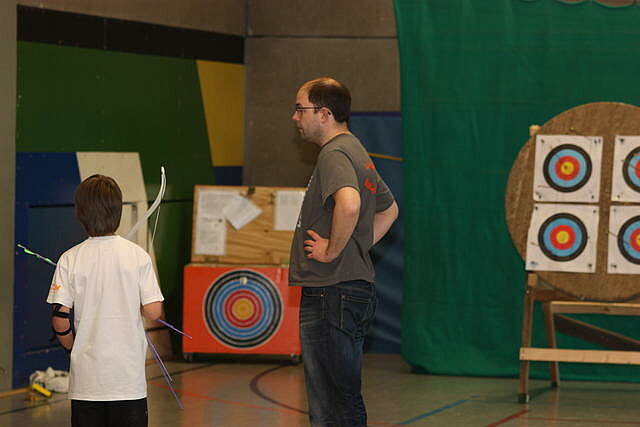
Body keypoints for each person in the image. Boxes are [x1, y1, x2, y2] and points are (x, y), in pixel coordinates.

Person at [289, 77, 399, 426]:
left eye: (301, 109)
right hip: (345, 291)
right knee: (340, 397)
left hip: (330, 292)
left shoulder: (334, 153)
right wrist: (355, 247)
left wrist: (332, 251)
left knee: (333, 403)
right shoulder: (356, 150)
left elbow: (349, 205)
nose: (295, 117)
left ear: (324, 114)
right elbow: (389, 210)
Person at [46, 174, 164, 427]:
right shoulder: (138, 256)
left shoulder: (69, 258)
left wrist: (73, 348)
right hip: (128, 382)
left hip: (86, 384)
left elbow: (59, 318)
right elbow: (154, 311)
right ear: (119, 211)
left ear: (80, 213)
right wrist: (136, 304)